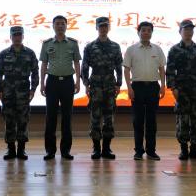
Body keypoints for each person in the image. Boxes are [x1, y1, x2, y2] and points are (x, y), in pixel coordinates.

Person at [166, 19, 196, 161]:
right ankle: (183, 149)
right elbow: (170, 71)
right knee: (182, 121)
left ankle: (195, 149)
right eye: (186, 29)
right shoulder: (174, 50)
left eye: (191, 29)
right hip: (182, 91)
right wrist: (173, 88)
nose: (188, 32)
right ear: (180, 32)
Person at [40, 15, 81, 161]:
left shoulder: (73, 43)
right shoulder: (46, 44)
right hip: (52, 82)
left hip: (68, 82)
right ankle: (50, 151)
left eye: (63, 23)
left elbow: (77, 63)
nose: (60, 26)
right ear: (53, 26)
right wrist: (42, 83)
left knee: (67, 117)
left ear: (66, 25)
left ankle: (65, 151)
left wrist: (78, 81)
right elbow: (44, 64)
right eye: (57, 23)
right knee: (50, 117)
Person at [81, 16, 123, 160]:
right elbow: (84, 67)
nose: (103, 29)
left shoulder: (115, 46)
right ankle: (96, 148)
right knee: (95, 117)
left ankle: (106, 148)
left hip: (110, 85)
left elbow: (119, 66)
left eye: (105, 26)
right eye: (101, 26)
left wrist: (119, 84)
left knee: (109, 118)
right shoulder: (90, 47)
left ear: (109, 28)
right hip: (96, 85)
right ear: (97, 28)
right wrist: (86, 84)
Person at [123, 21, 166, 160]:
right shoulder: (131, 49)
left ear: (152, 33)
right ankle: (138, 151)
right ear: (138, 32)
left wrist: (163, 86)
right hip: (137, 87)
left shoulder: (157, 49)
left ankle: (151, 151)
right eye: (143, 30)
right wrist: (129, 88)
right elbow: (126, 69)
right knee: (138, 120)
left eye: (149, 30)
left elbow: (162, 69)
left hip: (153, 87)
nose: (146, 32)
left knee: (152, 120)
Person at [0, 26, 39, 160]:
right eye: (14, 35)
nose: (17, 37)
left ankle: (21, 149)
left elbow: (35, 73)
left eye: (19, 35)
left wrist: (33, 89)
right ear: (10, 37)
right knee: (9, 120)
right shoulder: (3, 54)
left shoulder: (30, 53)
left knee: (23, 121)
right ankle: (10, 149)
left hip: (24, 92)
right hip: (8, 92)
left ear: (23, 36)